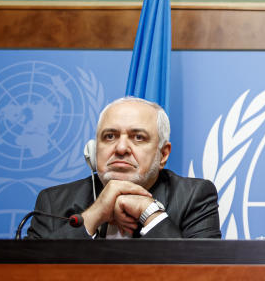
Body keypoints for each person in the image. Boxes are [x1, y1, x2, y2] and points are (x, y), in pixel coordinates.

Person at [25, 96, 221, 239]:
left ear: (163, 154)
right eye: (110, 136)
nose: (120, 148)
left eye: (138, 137)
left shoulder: (194, 196)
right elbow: (29, 274)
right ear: (94, 149)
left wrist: (148, 211)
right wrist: (95, 214)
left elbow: (202, 273)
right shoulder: (53, 201)